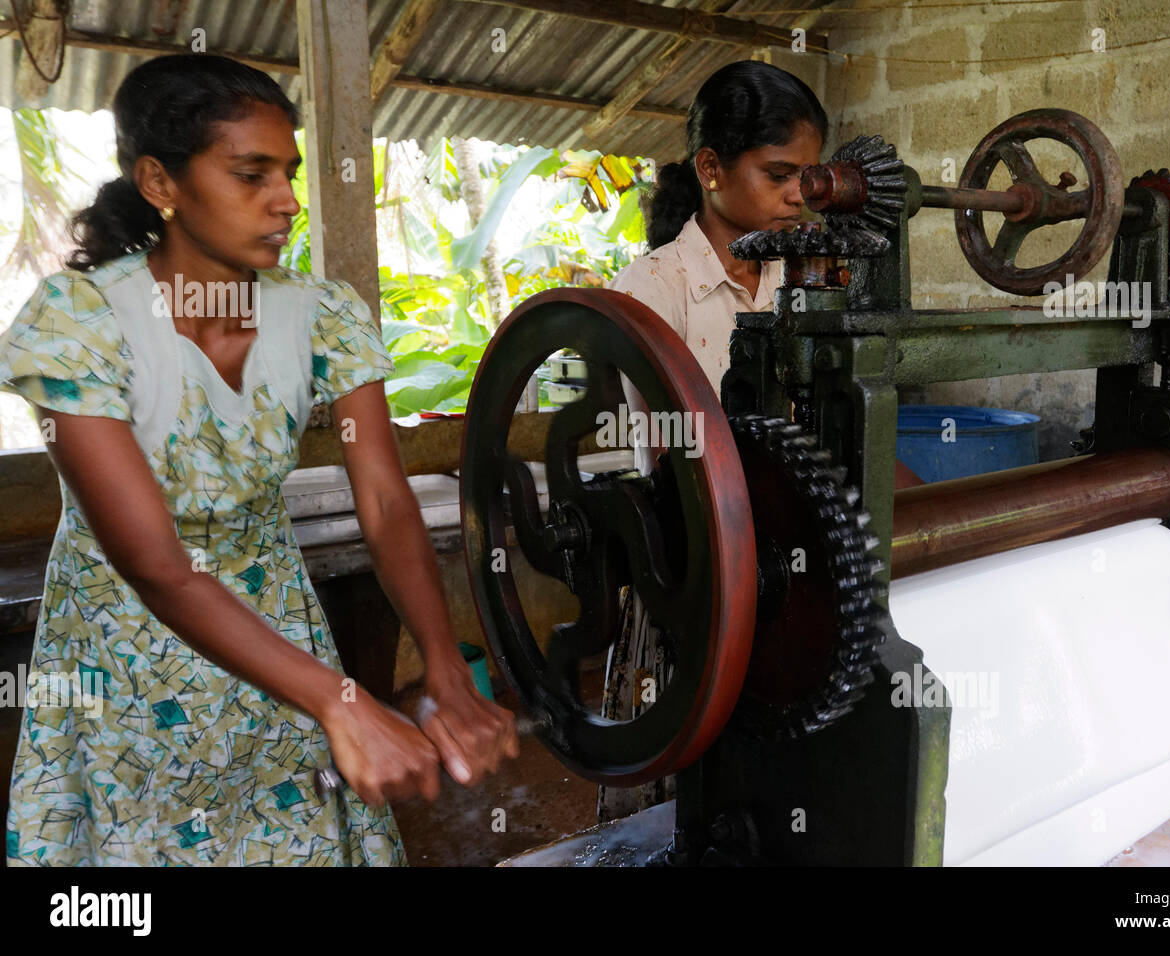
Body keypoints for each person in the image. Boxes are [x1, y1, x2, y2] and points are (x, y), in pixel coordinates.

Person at [0, 54, 517, 866]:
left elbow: (383, 502)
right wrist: (342, 701)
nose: (285, 201)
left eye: (289, 172)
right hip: (125, 646)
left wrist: (444, 663)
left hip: (273, 621)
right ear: (160, 184)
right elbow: (157, 563)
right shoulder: (83, 322)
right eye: (252, 175)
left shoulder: (318, 316)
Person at [598, 60, 923, 822]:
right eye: (779, 173)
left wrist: (912, 503)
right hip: (702, 577)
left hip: (807, 572)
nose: (798, 196)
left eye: (811, 178)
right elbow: (679, 455)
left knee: (794, 796)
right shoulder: (650, 292)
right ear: (710, 168)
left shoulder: (809, 281)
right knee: (684, 809)